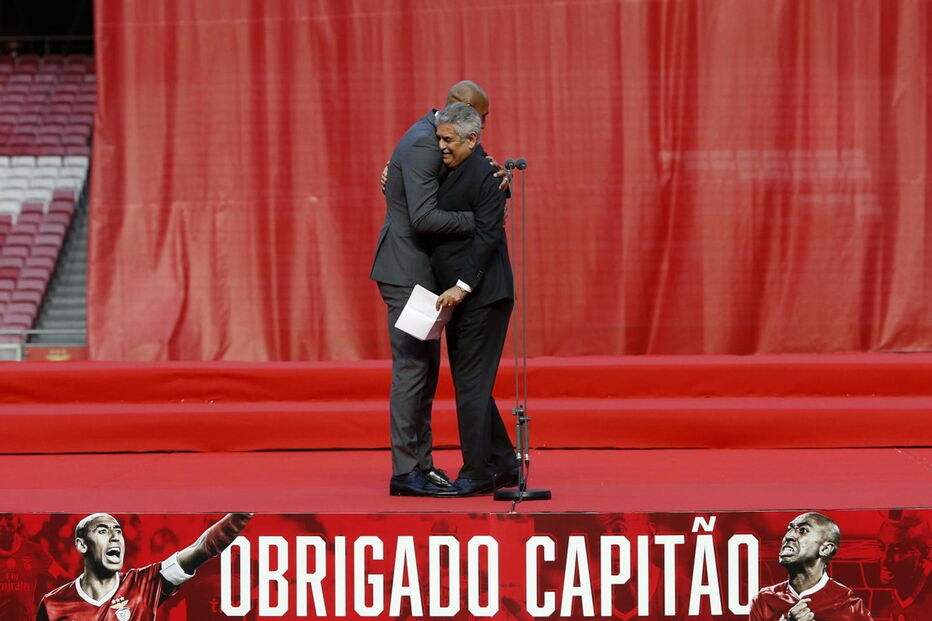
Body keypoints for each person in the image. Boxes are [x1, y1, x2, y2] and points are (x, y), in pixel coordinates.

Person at [370, 81, 508, 497]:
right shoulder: (426, 144)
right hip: (406, 272)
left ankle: (425, 464)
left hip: (423, 274)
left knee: (425, 370)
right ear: (462, 112)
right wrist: (482, 222)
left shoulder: (440, 140)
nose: (482, 127)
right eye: (481, 118)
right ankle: (407, 471)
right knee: (413, 369)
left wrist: (497, 186)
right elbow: (425, 217)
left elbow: (484, 179)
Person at [429, 102, 519, 497]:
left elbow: (487, 238)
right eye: (439, 138)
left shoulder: (488, 177)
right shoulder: (450, 168)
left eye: (448, 140)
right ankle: (502, 461)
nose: (441, 146)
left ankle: (477, 470)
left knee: (470, 387)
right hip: (458, 298)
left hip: (483, 296)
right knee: (473, 385)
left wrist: (462, 286)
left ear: (472, 138)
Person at [35, 512, 251, 620]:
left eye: (118, 531)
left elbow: (201, 548)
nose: (115, 538)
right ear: (82, 544)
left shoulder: (145, 582)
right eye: (103, 531)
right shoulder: (53, 604)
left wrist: (242, 513)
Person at [749, 512, 873, 621]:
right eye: (789, 529)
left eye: (802, 531)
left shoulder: (849, 605)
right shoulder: (763, 600)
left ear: (825, 549)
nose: (788, 536)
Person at [0, 514, 67, 620]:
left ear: (18, 521)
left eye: (8, 517)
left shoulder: (35, 552)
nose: (3, 523)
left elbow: (60, 576)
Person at [871, 511, 932, 621]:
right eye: (881, 547)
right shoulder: (884, 606)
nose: (885, 560)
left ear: (924, 553)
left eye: (897, 550)